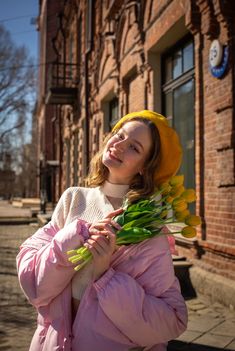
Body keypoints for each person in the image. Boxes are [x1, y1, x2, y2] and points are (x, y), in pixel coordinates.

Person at [17, 110, 187, 351]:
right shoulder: (74, 199)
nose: (119, 145)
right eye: (119, 135)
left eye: (134, 148)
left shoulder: (150, 228)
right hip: (52, 342)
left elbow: (170, 321)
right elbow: (35, 286)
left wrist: (106, 275)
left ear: (144, 167)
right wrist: (72, 239)